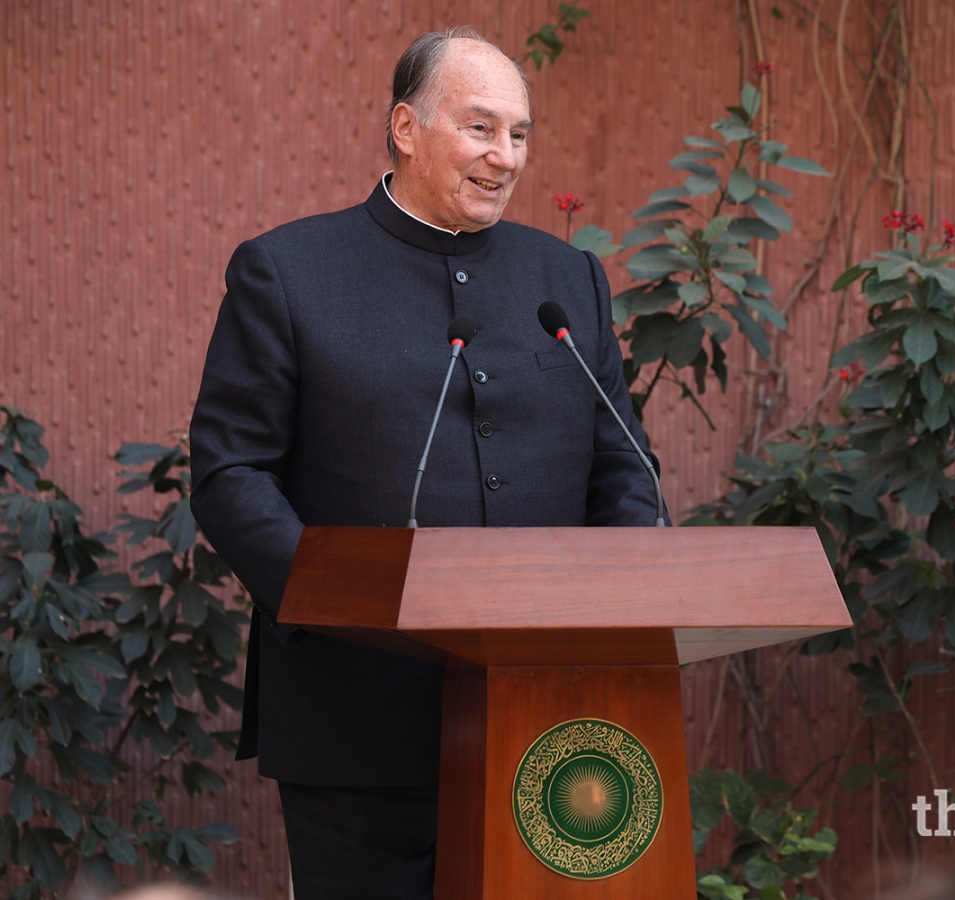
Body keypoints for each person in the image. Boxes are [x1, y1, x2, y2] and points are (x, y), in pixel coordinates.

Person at [189, 26, 661, 900]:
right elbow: (229, 473)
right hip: (359, 710)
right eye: (481, 128)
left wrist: (624, 606)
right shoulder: (289, 272)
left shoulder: (569, 279)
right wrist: (336, 596)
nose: (505, 155)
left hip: (554, 713)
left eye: (519, 134)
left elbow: (623, 465)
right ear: (405, 127)